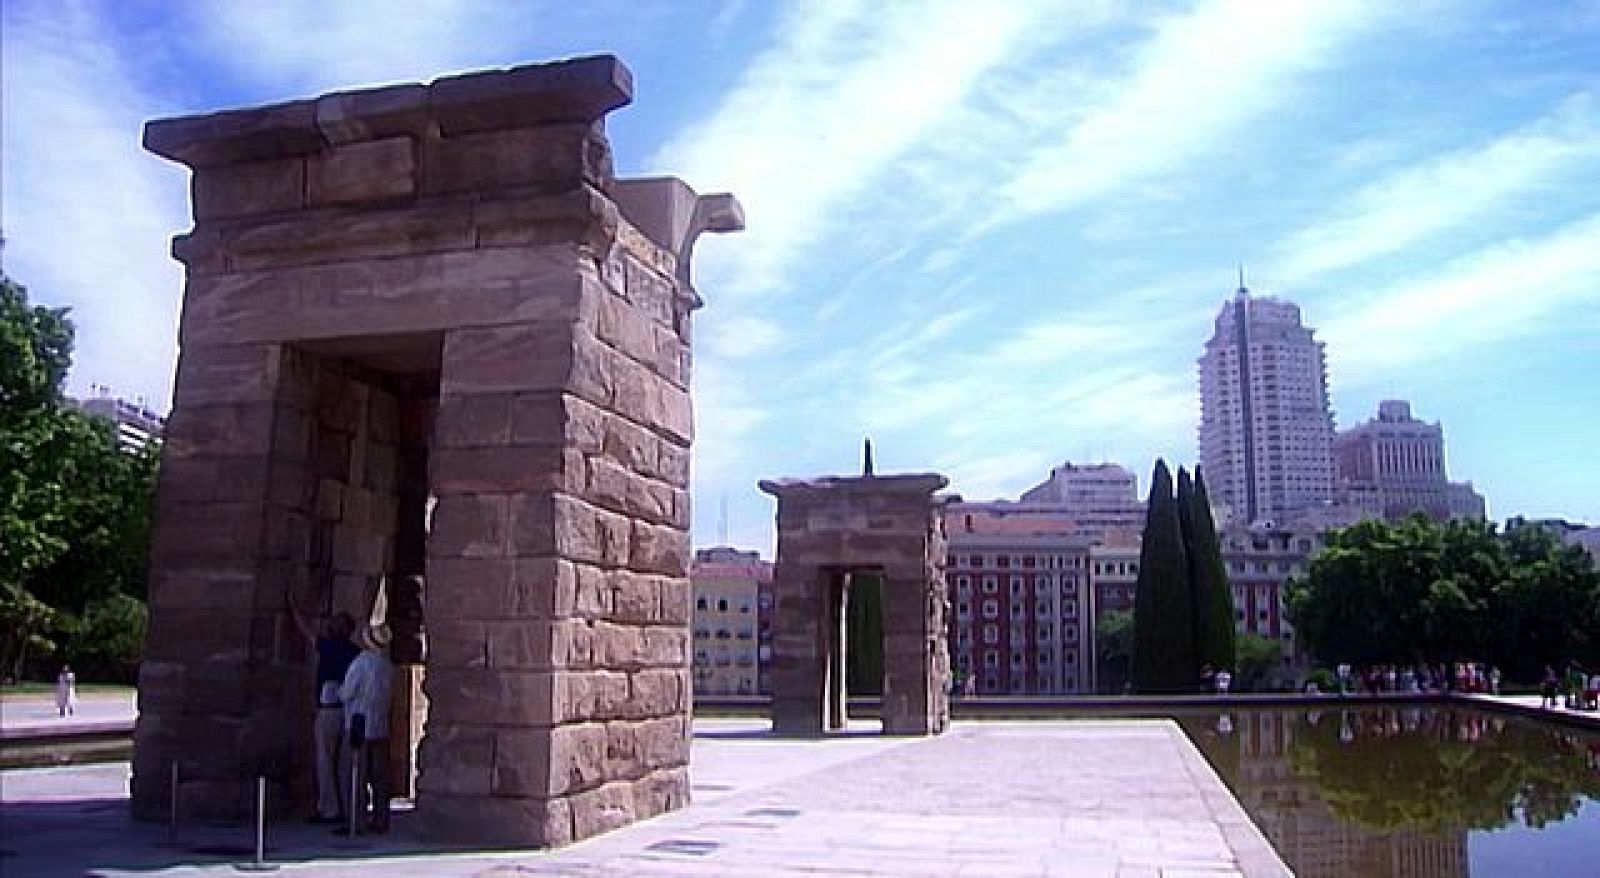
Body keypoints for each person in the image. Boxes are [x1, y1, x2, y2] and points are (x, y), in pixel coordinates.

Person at [291, 605, 359, 825]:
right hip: (348, 711)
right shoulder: (355, 652)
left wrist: (296, 610)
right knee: (345, 762)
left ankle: (329, 809)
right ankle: (348, 807)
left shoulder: (329, 646)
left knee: (325, 759)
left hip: (329, 710)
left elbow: (308, 633)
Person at [339, 623, 395, 834]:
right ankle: (381, 818)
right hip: (380, 725)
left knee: (354, 774)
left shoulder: (361, 663)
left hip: (358, 724)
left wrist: (338, 693)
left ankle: (355, 821)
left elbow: (347, 692)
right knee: (379, 776)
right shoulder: (388, 667)